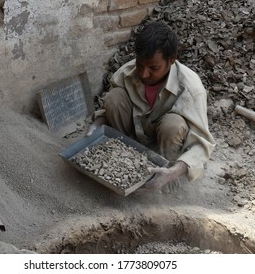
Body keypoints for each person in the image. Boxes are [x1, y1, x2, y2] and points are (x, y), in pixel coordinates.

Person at [87, 21, 215, 192]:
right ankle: (126, 161)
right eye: (140, 64)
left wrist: (173, 171)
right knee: (114, 98)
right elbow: (108, 111)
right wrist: (96, 126)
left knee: (173, 124)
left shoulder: (191, 89)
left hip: (167, 149)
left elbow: (201, 145)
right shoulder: (127, 73)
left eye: (154, 68)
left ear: (172, 60)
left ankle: (165, 178)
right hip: (133, 140)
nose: (144, 74)